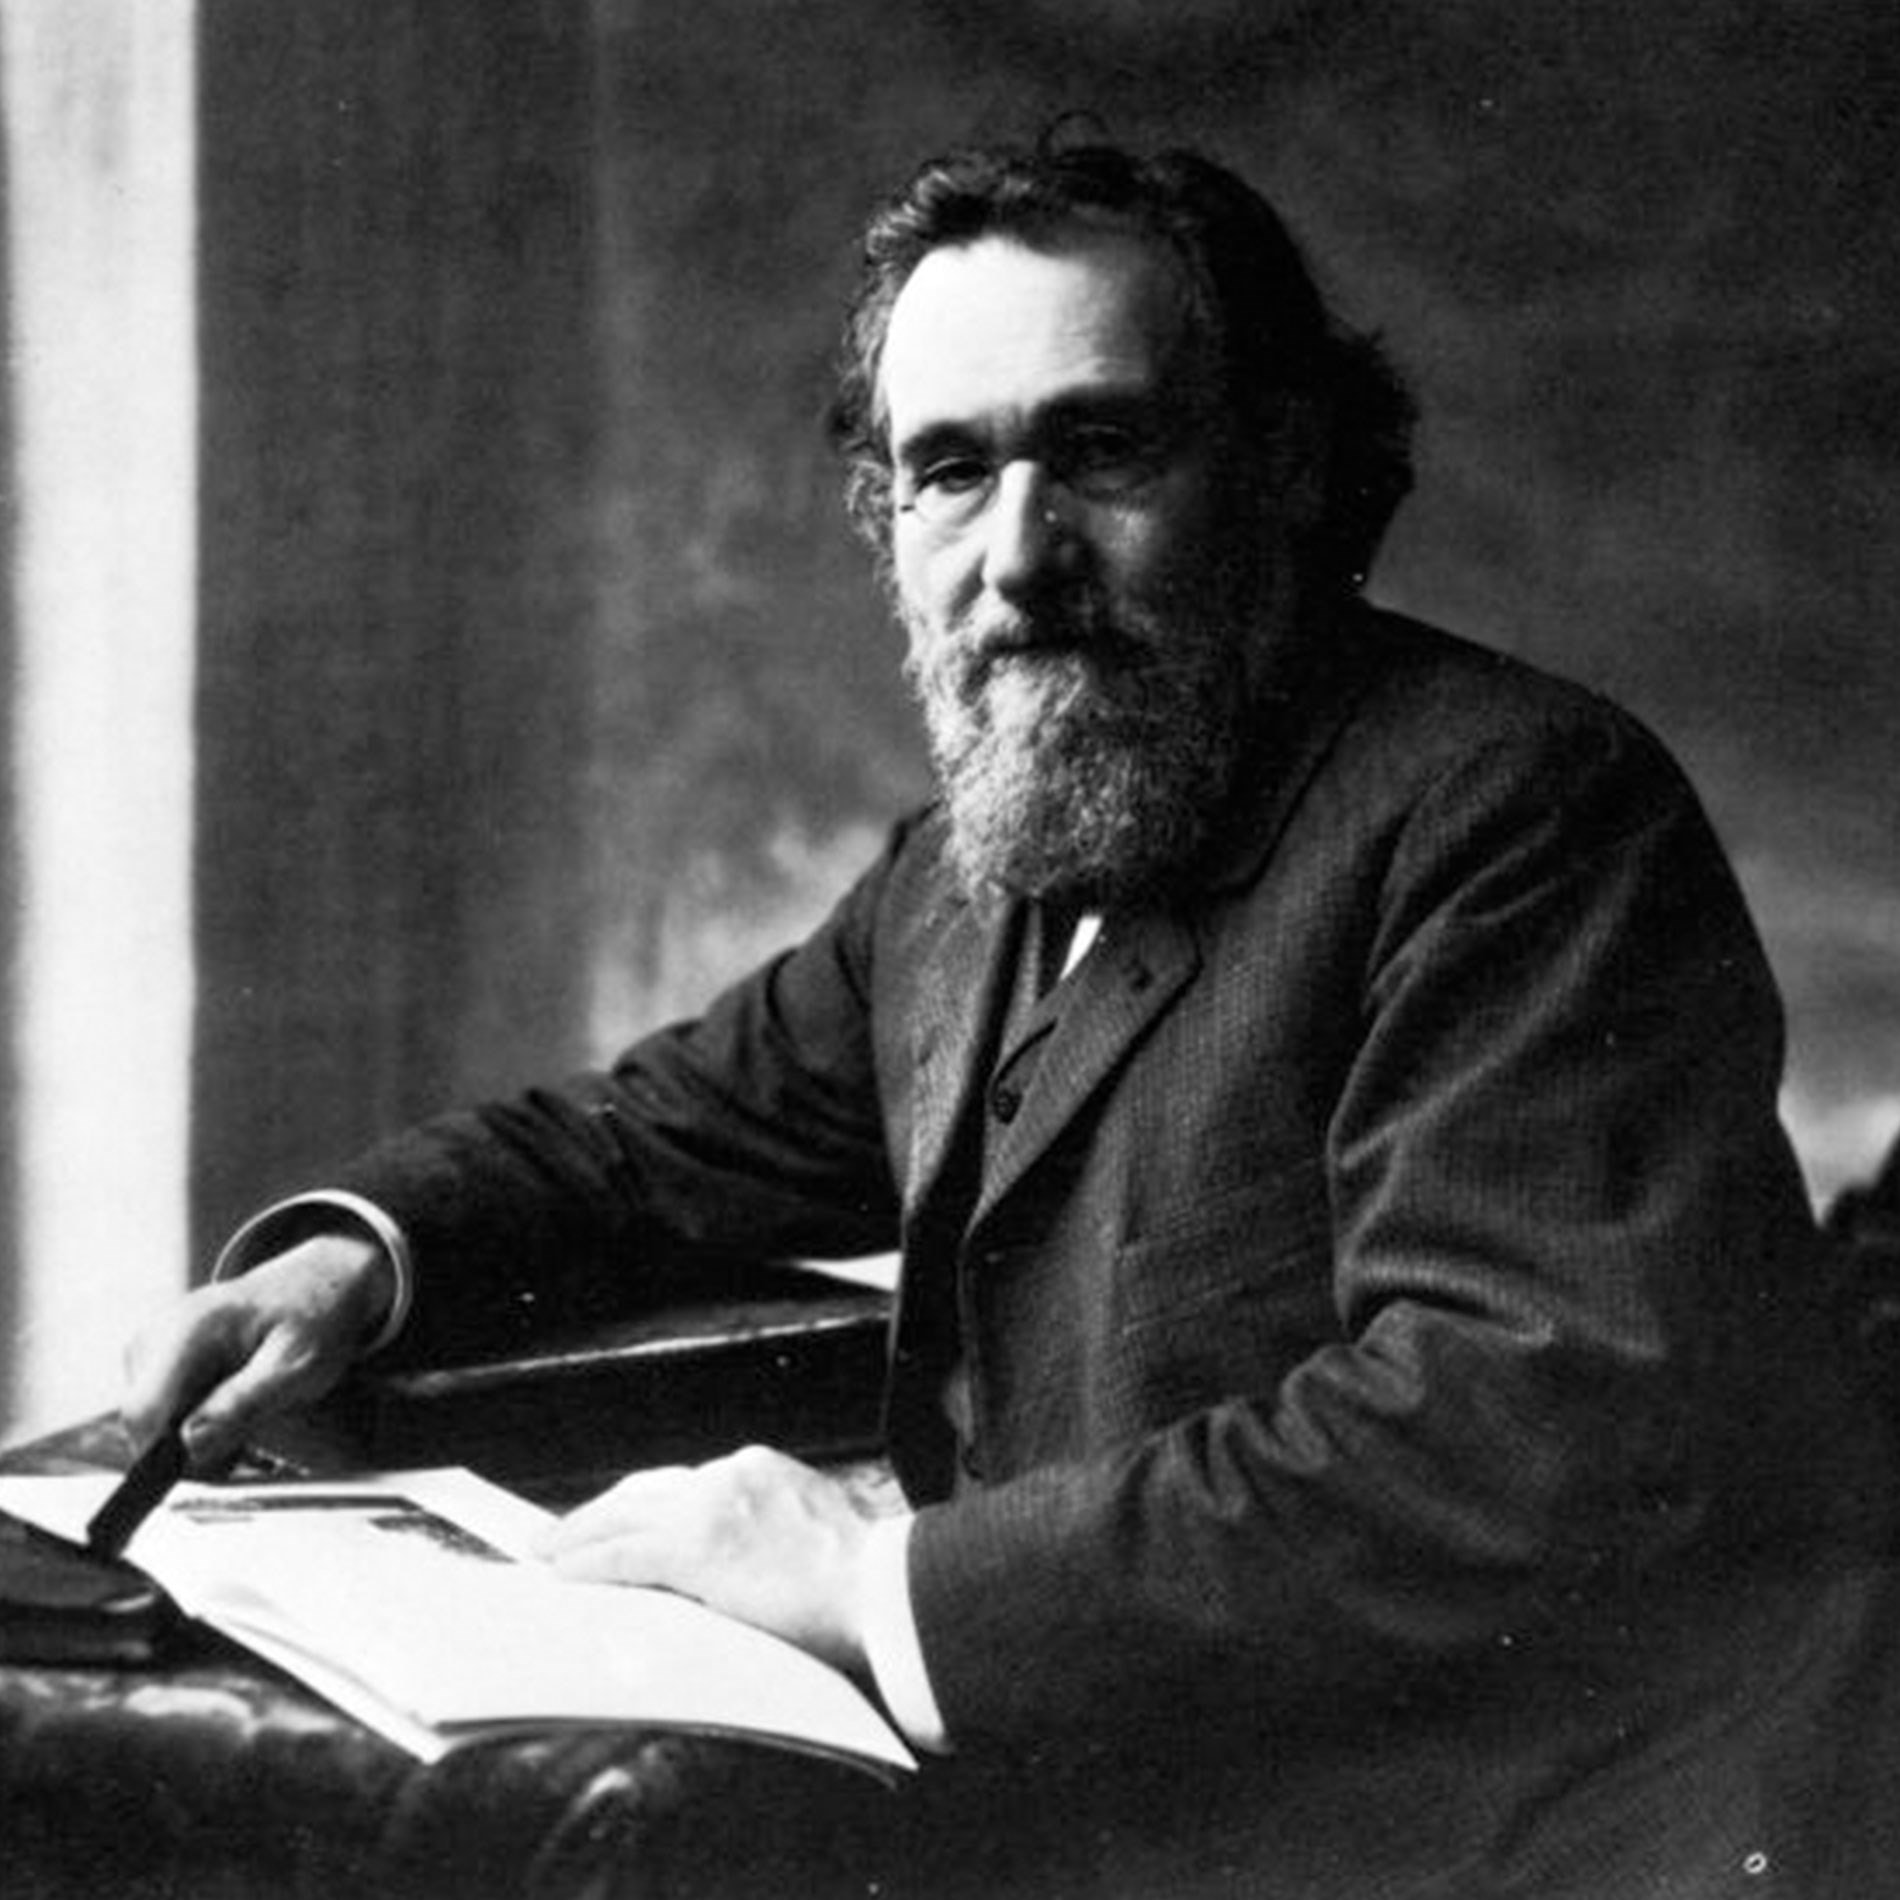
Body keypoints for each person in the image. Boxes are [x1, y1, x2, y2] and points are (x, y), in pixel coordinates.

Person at [121, 135, 1900, 1897]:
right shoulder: (969, 880)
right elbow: (657, 1139)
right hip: (1111, 1813)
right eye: (950, 473)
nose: (1021, 556)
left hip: (1497, 1841)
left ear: (1286, 472)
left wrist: (865, 1582)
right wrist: (347, 1260)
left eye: (1104, 451)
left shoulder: (1515, 812)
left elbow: (1511, 1429)